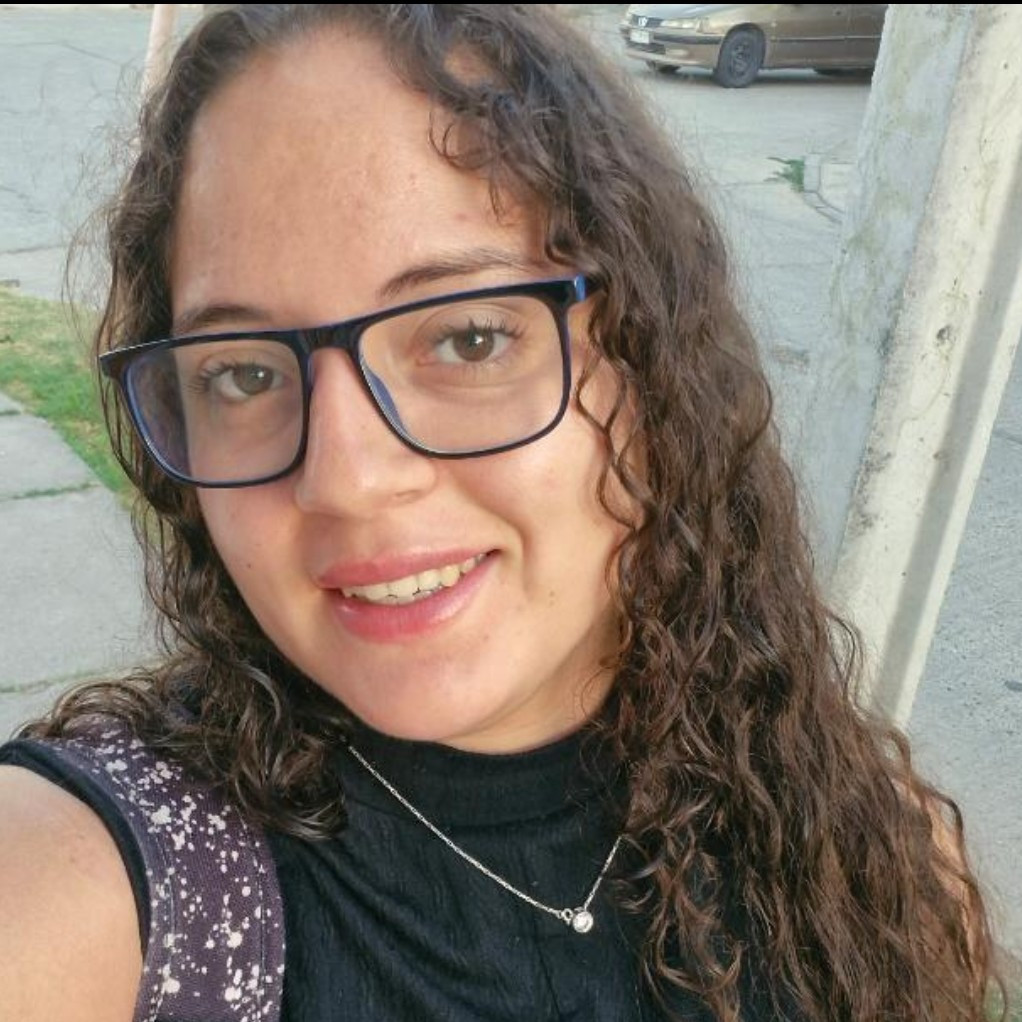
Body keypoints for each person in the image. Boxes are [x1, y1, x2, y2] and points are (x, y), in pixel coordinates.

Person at [0, 4, 1007, 1021]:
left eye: (469, 339)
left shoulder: (872, 856)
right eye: (245, 373)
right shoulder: (110, 901)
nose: (347, 480)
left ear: (650, 364)